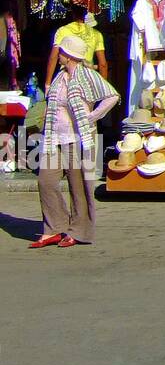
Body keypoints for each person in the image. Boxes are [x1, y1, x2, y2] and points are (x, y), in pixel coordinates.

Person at [30, 35, 119, 248]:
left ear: (69, 55)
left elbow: (112, 96)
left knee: (78, 187)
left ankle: (79, 231)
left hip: (77, 139)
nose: (58, 54)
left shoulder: (87, 75)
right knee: (46, 181)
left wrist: (92, 116)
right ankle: (55, 228)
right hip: (54, 138)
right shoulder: (60, 77)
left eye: (61, 51)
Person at [45, 4, 108, 87]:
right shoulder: (96, 34)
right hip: (88, 77)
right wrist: (104, 87)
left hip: (67, 76)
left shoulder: (63, 31)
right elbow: (102, 64)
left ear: (72, 13)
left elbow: (53, 57)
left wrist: (47, 84)